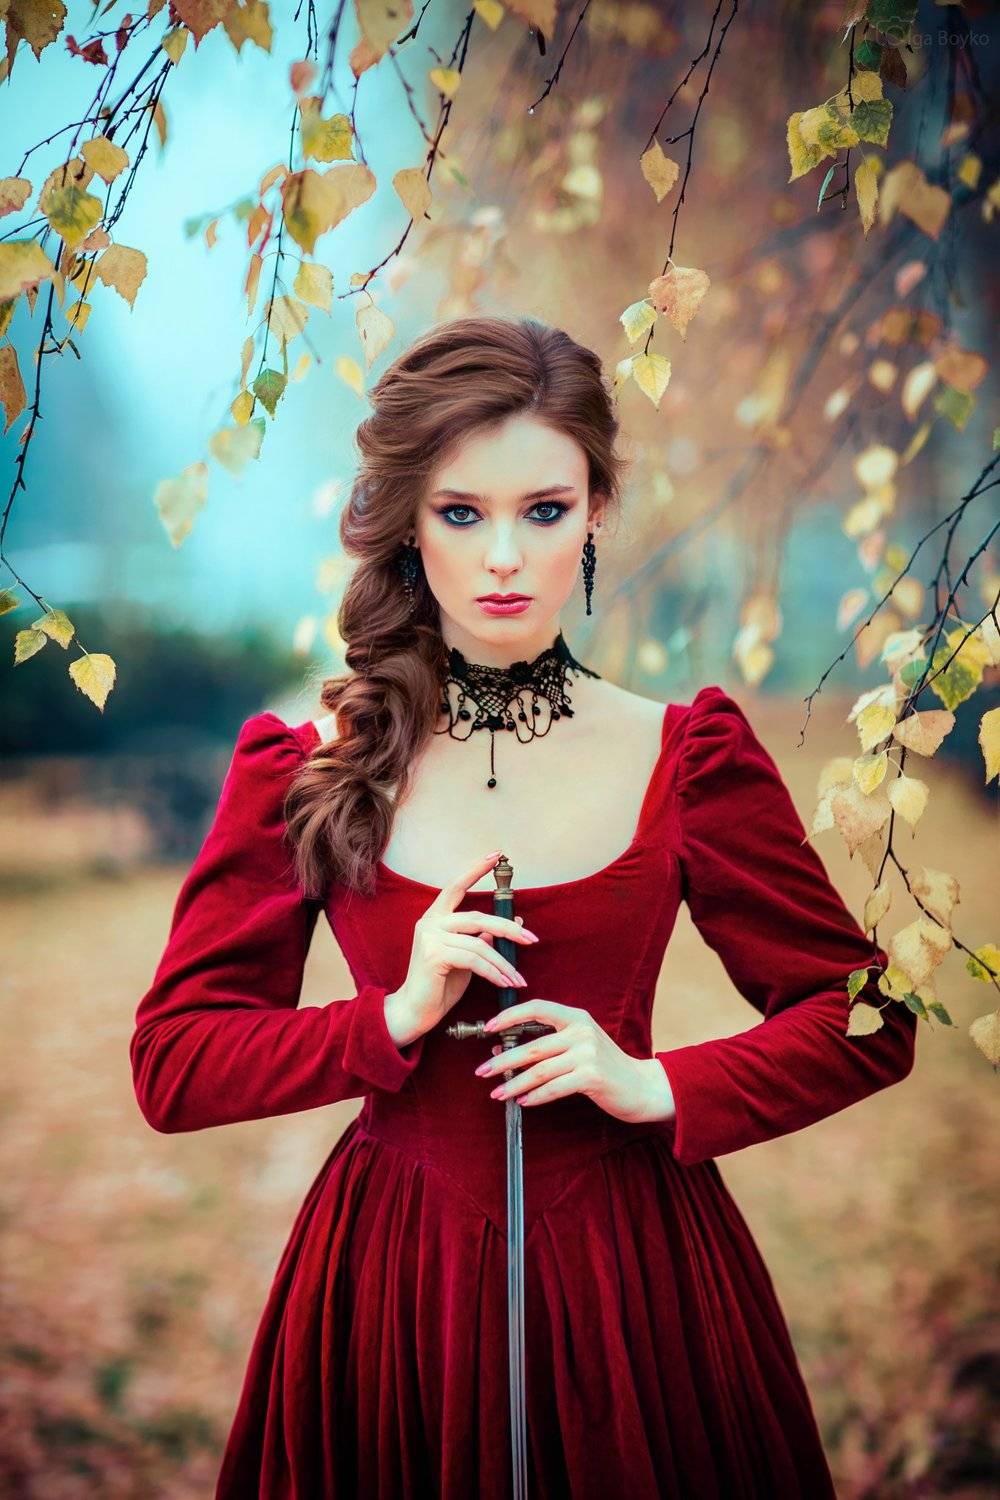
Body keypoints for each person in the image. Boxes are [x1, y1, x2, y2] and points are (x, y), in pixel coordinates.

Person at [129, 315, 917, 1499]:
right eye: (461, 513)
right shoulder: (305, 763)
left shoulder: (687, 754)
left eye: (543, 511)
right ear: (409, 520)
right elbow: (175, 1064)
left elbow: (865, 1016)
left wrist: (656, 1083)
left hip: (637, 1285)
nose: (504, 557)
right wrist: (392, 1017)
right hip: (394, 1288)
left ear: (594, 510)